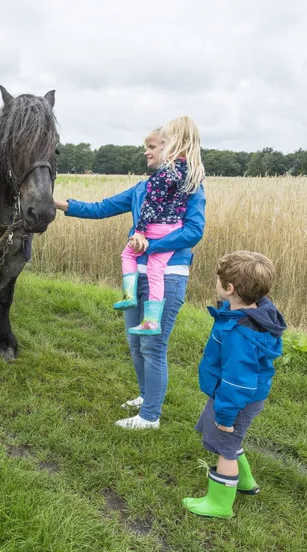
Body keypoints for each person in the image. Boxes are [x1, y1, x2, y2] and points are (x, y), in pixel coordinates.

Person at [55, 125, 206, 430]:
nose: (147, 152)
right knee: (135, 343)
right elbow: (101, 208)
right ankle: (145, 395)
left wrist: (152, 245)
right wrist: (57, 203)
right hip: (136, 274)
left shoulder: (191, 187)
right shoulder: (143, 189)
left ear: (170, 148)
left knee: (153, 346)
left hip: (168, 275)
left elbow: (194, 231)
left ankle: (150, 417)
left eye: (152, 146)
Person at [182, 251, 286, 519]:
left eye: (218, 280)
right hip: (238, 394)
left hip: (234, 399)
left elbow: (236, 381)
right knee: (230, 439)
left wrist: (226, 415)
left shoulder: (239, 333)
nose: (215, 282)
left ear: (230, 289)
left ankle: (219, 504)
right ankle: (246, 482)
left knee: (225, 447)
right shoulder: (257, 310)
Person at [113, 116, 204, 337]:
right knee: (155, 271)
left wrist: (140, 232)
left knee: (128, 254)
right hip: (172, 229)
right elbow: (105, 206)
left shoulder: (163, 175)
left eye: (161, 143)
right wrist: (66, 205)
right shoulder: (193, 175)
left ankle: (128, 296)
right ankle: (152, 320)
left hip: (155, 231)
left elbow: (151, 206)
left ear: (173, 143)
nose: (154, 149)